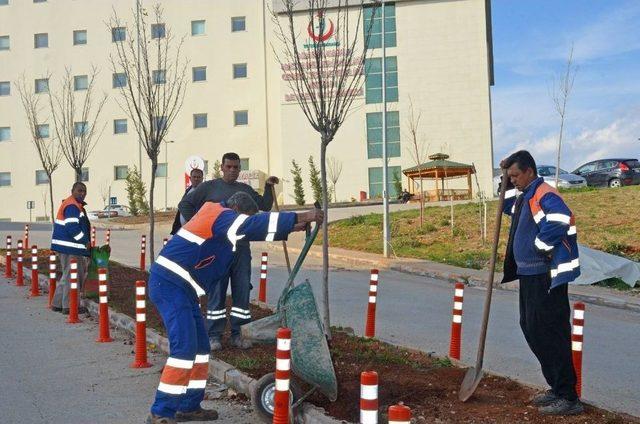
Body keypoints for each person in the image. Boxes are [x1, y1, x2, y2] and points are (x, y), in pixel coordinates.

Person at [147, 192, 322, 424]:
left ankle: (189, 407)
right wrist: (304, 215)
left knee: (200, 349)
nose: (242, 227)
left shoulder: (222, 220)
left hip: (182, 289)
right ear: (237, 210)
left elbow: (255, 229)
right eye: (243, 219)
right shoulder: (219, 215)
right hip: (170, 285)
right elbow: (252, 225)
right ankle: (161, 411)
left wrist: (293, 226)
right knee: (184, 350)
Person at [500, 150, 583, 416]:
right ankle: (556, 388)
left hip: (544, 276)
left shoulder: (544, 193)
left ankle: (568, 397)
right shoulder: (525, 195)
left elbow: (561, 219)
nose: (512, 180)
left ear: (529, 171)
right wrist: (504, 180)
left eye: (515, 175)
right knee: (531, 327)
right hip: (528, 276)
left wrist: (540, 246)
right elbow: (507, 206)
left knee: (550, 332)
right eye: (509, 176)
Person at [178, 152, 279, 351]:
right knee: (217, 291)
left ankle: (239, 334)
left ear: (239, 169)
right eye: (229, 167)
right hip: (217, 249)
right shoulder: (210, 188)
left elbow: (265, 206)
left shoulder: (245, 189)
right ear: (222, 168)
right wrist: (197, 225)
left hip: (241, 249)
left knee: (242, 291)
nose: (232, 170)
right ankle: (214, 335)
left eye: (236, 167)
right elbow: (185, 204)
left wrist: (268, 186)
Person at [51, 182, 91, 314]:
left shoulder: (73, 205)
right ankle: (69, 306)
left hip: (66, 247)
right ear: (72, 191)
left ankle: (57, 303)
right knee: (73, 277)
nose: (82, 193)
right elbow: (72, 228)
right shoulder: (73, 206)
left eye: (84, 191)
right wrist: (85, 241)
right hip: (71, 248)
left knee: (67, 276)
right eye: (79, 190)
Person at [170, 168, 204, 235]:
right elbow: (181, 209)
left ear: (202, 179)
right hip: (182, 230)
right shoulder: (188, 191)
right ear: (190, 178)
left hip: (195, 231)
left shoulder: (205, 193)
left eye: (198, 177)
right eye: (194, 177)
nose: (196, 179)